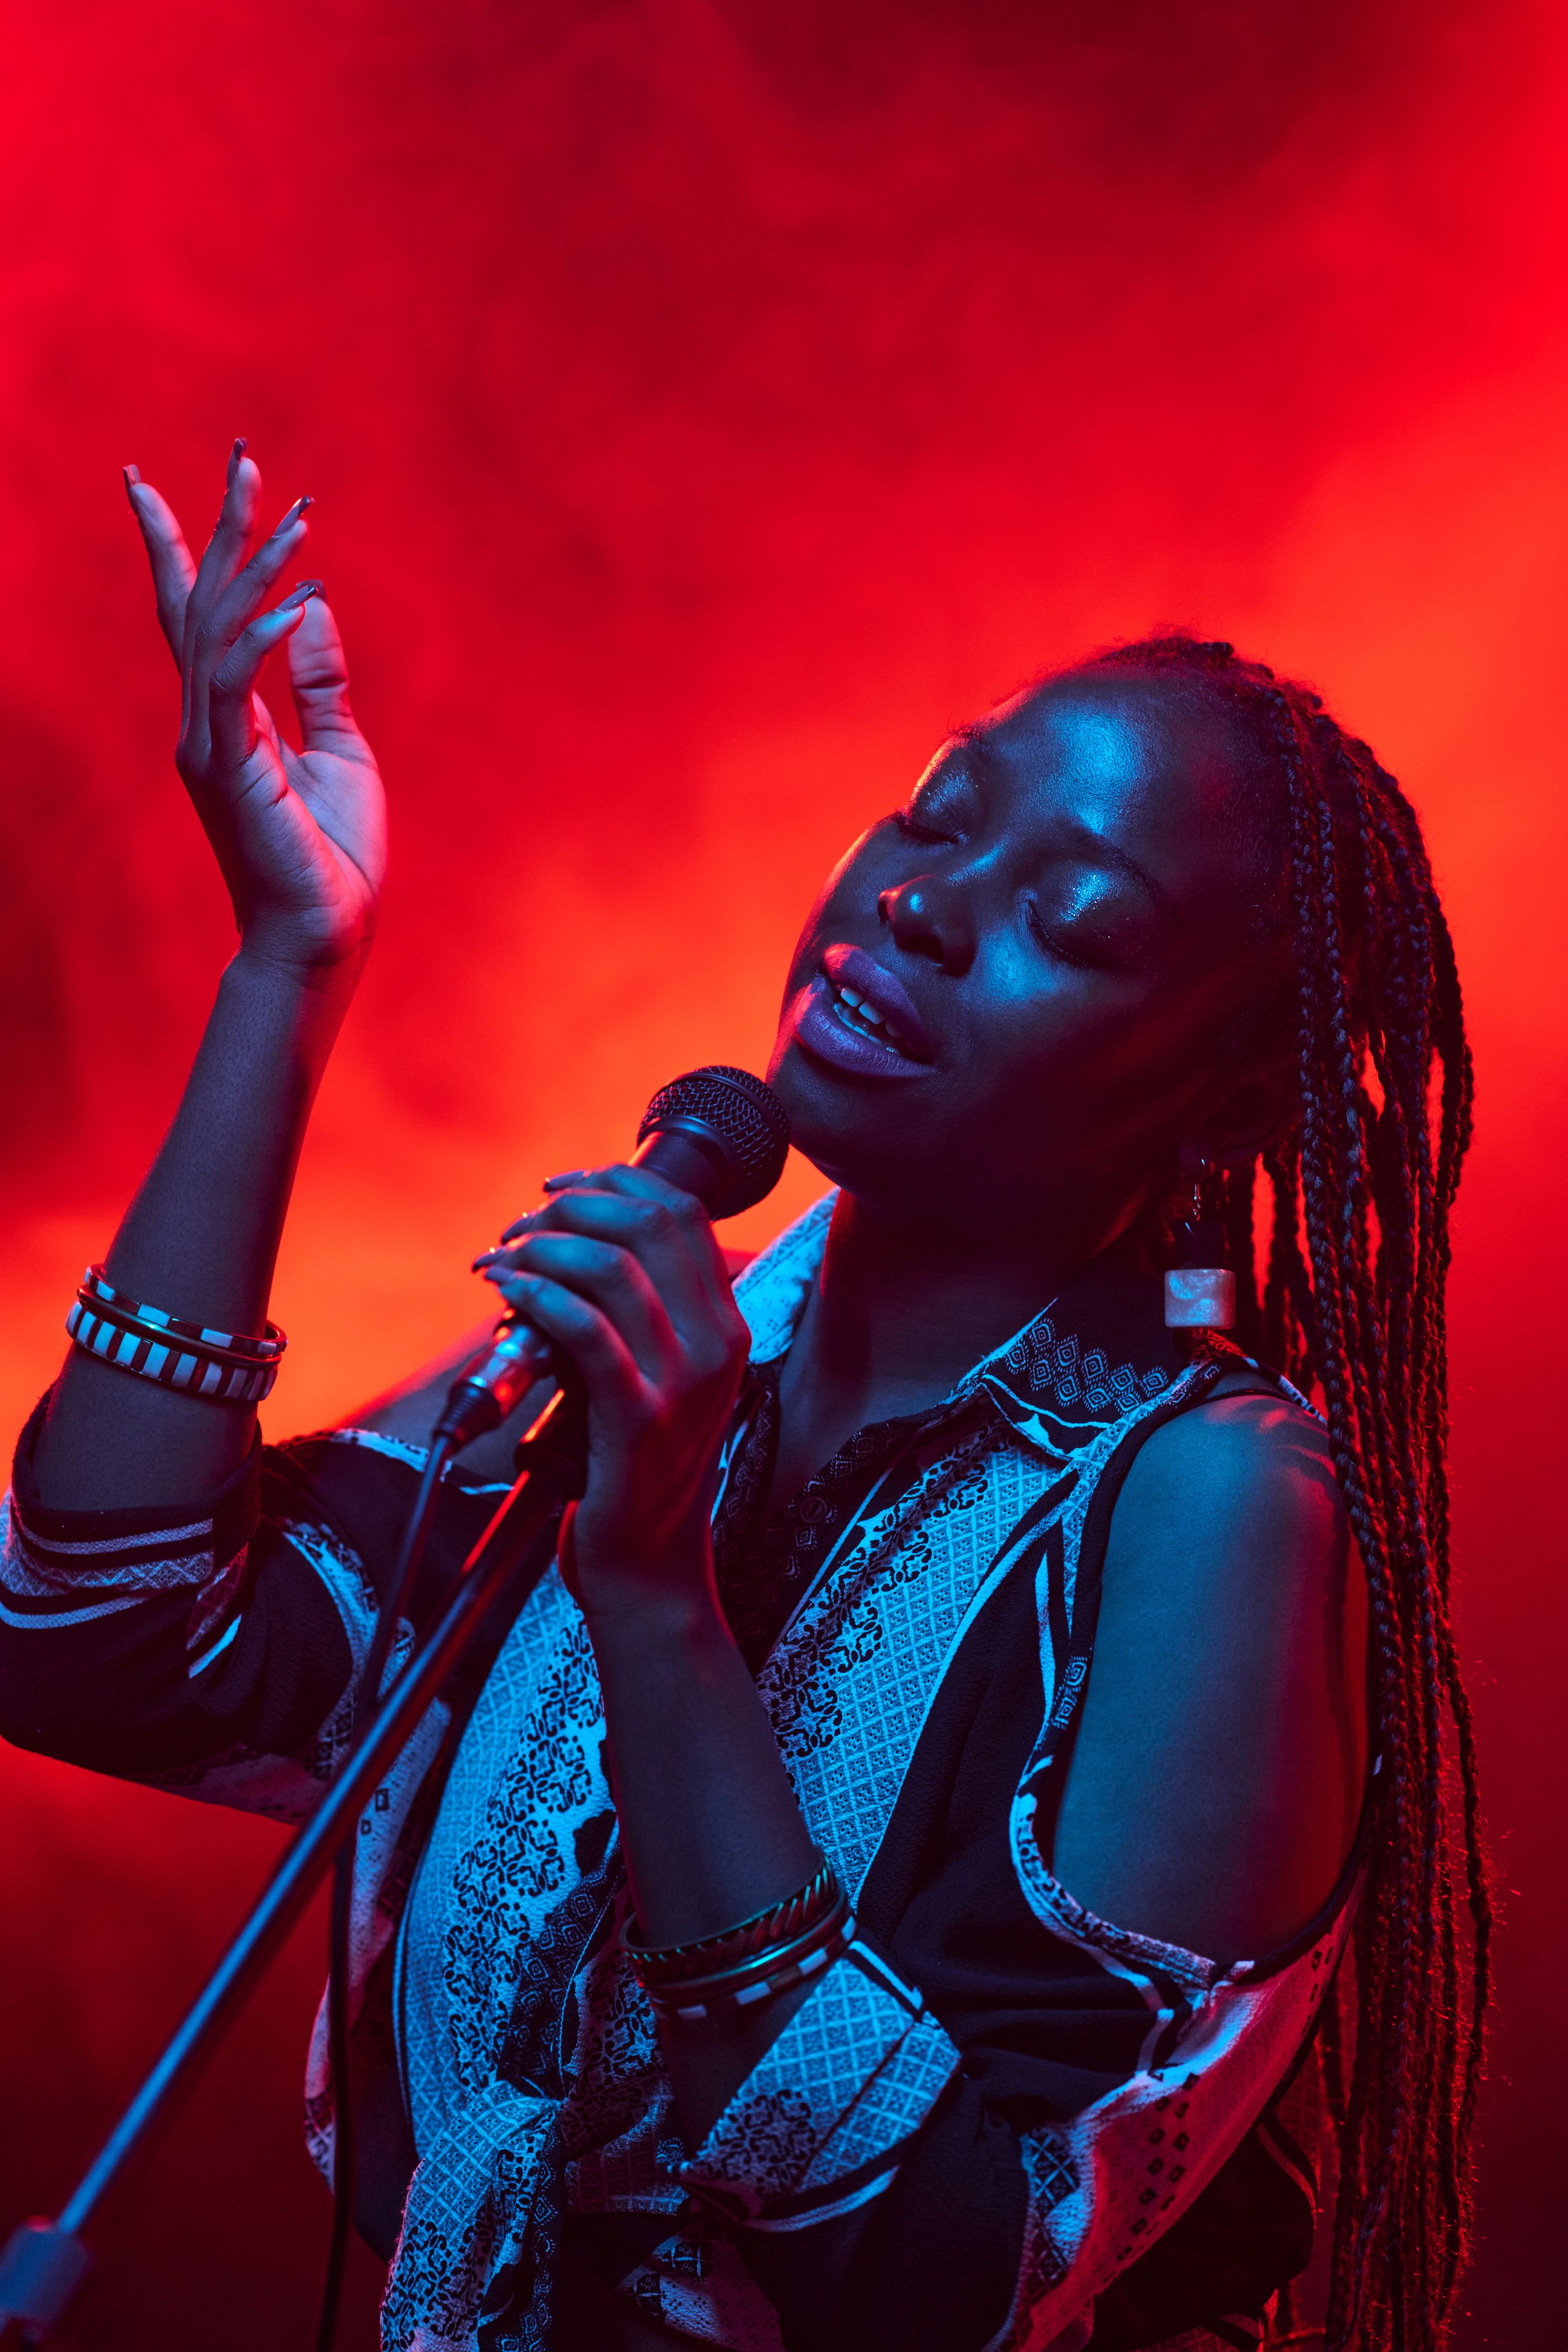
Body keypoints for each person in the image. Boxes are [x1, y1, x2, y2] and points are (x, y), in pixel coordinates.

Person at [0, 444, 1485, 2352]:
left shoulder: (1213, 1503)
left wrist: (653, 1596)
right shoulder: (664, 1370)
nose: (933, 905)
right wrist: (289, 965)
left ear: (1209, 1107)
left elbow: (950, 2286)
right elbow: (92, 1638)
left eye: (1079, 919)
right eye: (934, 819)